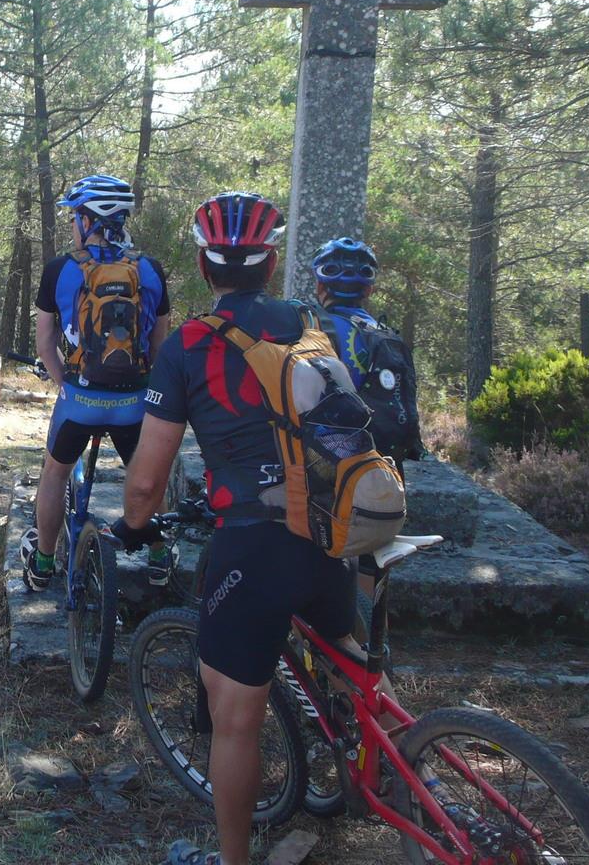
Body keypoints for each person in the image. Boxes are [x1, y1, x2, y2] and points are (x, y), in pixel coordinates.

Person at [115, 193, 357, 865]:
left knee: (235, 718)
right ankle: (415, 776)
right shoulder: (310, 324)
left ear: (203, 266)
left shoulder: (188, 345)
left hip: (254, 544)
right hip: (330, 527)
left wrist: (133, 525)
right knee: (351, 662)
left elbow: (146, 480)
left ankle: (232, 860)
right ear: (271, 263)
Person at [18, 175, 171, 591]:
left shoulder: (60, 270)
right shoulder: (150, 270)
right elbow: (161, 346)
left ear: (88, 221)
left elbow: (45, 342)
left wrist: (65, 384)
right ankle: (160, 557)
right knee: (147, 474)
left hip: (80, 401)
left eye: (74, 218)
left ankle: (43, 563)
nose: (72, 225)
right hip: (134, 403)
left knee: (55, 474)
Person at [311, 236, 423, 470]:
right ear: (369, 290)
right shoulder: (386, 334)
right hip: (385, 465)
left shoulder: (313, 327)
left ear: (320, 286)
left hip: (332, 462)